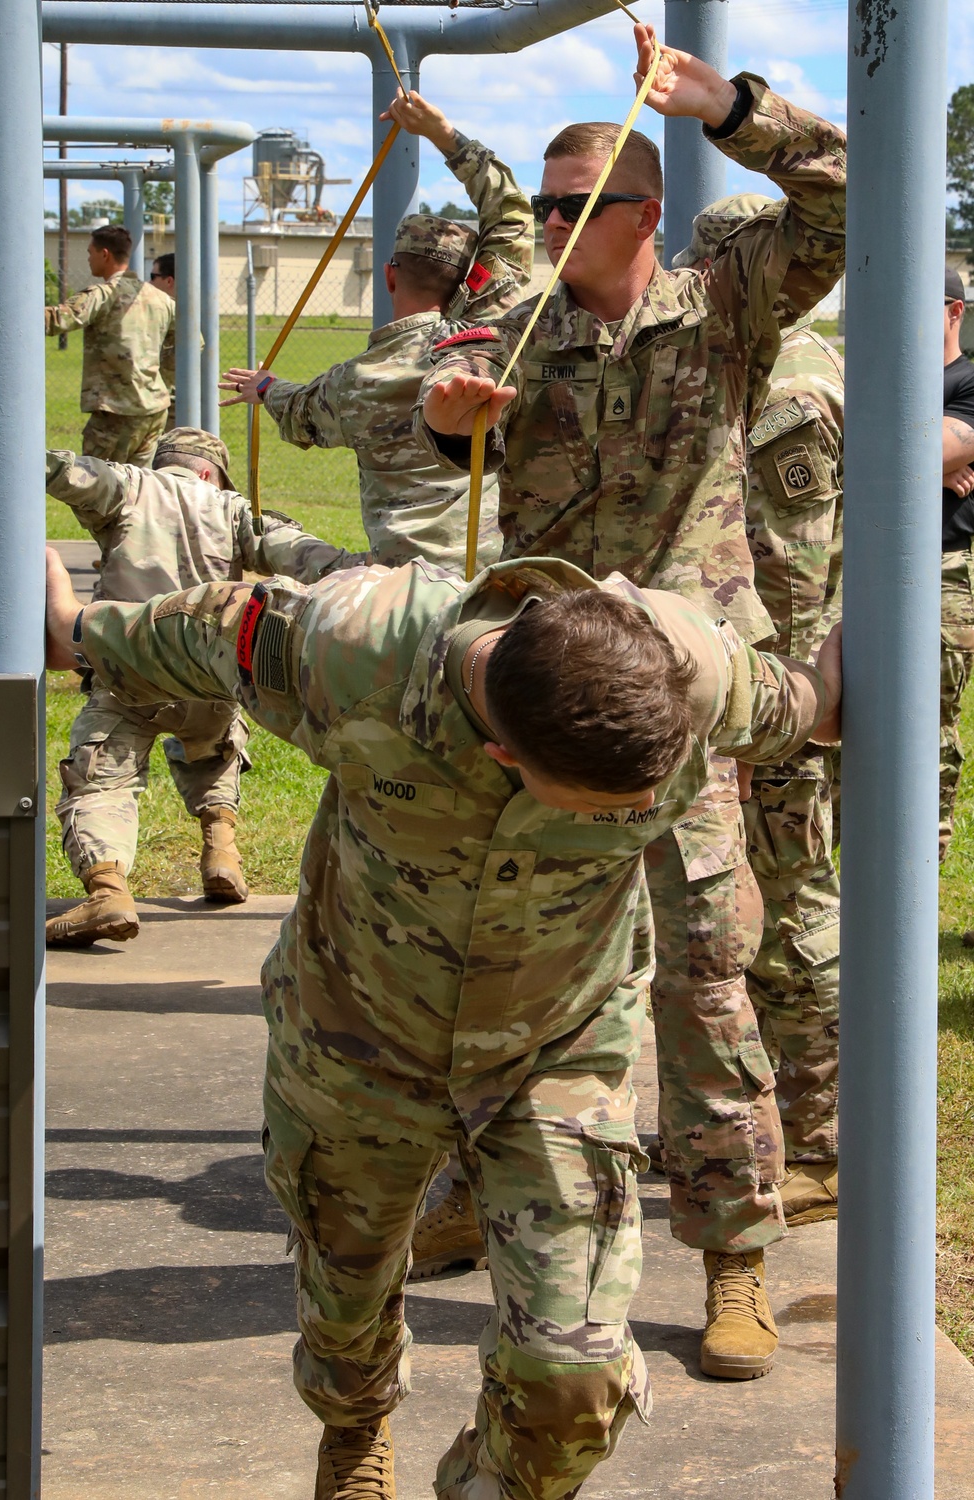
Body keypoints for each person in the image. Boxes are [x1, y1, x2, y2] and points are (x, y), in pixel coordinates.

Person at [44, 538, 842, 1500]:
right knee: (345, 1305)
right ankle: (355, 1434)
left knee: (573, 1379)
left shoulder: (694, 666)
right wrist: (73, 628)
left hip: (556, 1051)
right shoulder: (350, 646)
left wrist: (853, 663)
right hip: (356, 1034)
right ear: (503, 755)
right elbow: (191, 633)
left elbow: (806, 705)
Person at [414, 23, 846, 1378]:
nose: (544, 227)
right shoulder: (524, 322)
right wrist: (448, 418)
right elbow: (436, 415)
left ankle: (734, 1256)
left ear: (640, 217)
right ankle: (481, 1197)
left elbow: (847, 195)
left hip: (680, 695)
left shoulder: (723, 304)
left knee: (709, 977)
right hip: (539, 698)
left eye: (568, 206)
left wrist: (736, 107)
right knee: (505, 973)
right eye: (539, 205)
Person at [668, 195, 844, 1227]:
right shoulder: (757, 363)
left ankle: (818, 1141)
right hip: (731, 677)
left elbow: (803, 553)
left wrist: (796, 681)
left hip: (775, 691)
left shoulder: (790, 378)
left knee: (787, 917)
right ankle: (769, 1126)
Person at [45, 427, 367, 948]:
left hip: (130, 673)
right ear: (209, 471)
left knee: (101, 780)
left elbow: (66, 473)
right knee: (213, 751)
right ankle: (221, 851)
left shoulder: (129, 486)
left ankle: (107, 887)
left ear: (167, 463)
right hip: (212, 679)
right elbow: (307, 556)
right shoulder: (233, 509)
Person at [220, 88, 534, 572]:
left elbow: (302, 412)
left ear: (389, 276)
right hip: (492, 572)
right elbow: (511, 212)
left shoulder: (355, 381)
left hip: (398, 582)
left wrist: (265, 388)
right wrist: (442, 134)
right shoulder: (487, 339)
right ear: (463, 284)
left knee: (290, 553)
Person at [45, 224, 175, 465]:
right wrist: (161, 381)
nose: (88, 258)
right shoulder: (161, 299)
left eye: (89, 252)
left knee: (97, 491)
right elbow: (188, 344)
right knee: (139, 488)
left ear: (104, 254)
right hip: (154, 410)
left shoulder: (103, 294)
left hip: (116, 412)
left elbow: (57, 319)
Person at [938, 267, 974, 866]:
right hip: (851, 573)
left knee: (928, 726)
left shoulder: (968, 380)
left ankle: (921, 874)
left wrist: (928, 458)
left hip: (942, 574)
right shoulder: (876, 379)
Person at [150, 253, 178, 428]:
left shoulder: (171, 313)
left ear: (169, 281)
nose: (149, 283)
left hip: (170, 405)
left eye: (153, 277)